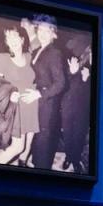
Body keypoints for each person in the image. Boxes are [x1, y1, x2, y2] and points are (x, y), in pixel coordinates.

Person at [0, 27, 40, 166]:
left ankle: (21, 168)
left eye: (15, 36)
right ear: (6, 42)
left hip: (32, 104)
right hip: (16, 107)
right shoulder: (1, 59)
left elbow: (38, 78)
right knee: (18, 146)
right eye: (8, 37)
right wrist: (8, 95)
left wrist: (37, 93)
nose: (12, 40)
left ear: (22, 39)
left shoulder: (30, 57)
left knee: (28, 144)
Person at [26, 15, 66, 171]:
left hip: (47, 103)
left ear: (53, 34)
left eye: (46, 30)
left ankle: (42, 170)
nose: (42, 33)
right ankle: (36, 163)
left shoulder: (54, 53)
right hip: (37, 100)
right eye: (40, 30)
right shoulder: (37, 50)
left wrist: (39, 94)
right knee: (37, 136)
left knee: (44, 139)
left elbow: (60, 83)